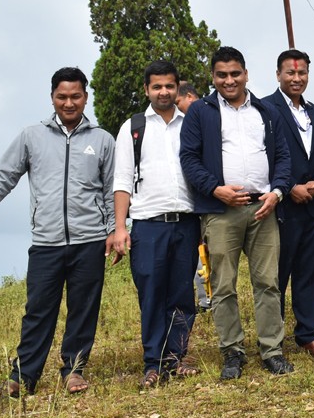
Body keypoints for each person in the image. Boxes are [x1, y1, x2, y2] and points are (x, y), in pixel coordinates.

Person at [0, 67, 116, 396]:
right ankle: (22, 377)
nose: (69, 103)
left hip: (90, 241)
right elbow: (4, 177)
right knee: (38, 309)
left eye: (75, 96)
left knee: (84, 308)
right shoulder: (31, 136)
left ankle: (74, 370)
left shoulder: (102, 140)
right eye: (61, 96)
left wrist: (114, 231)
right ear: (52, 97)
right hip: (47, 243)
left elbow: (111, 192)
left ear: (86, 97)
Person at [179, 46, 294, 379]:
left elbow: (283, 157)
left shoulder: (266, 111)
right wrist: (215, 189)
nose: (229, 80)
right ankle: (233, 352)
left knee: (268, 283)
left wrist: (277, 193)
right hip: (220, 210)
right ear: (213, 77)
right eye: (221, 75)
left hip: (263, 208)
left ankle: (272, 351)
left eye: (235, 74)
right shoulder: (200, 112)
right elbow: (189, 159)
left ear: (246, 74)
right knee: (223, 285)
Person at [113, 60, 200, 389]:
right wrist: (121, 228)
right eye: (156, 86)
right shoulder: (133, 127)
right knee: (151, 293)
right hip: (148, 225)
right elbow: (121, 180)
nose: (163, 91)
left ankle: (176, 358)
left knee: (181, 292)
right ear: (147, 89)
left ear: (178, 87)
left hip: (187, 222)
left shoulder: (191, 124)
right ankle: (152, 363)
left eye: (169, 86)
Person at [264, 50, 314, 357]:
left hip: (312, 206)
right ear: (278, 74)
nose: (296, 78)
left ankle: (308, 334)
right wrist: (289, 186)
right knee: (276, 273)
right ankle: (272, 336)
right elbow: (262, 157)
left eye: (302, 73)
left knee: (311, 272)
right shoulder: (265, 109)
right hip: (280, 207)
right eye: (290, 73)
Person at [177, 81, 211, 310]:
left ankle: (208, 298)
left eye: (178, 102)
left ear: (190, 96)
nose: (177, 107)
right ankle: (204, 297)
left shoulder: (209, 117)